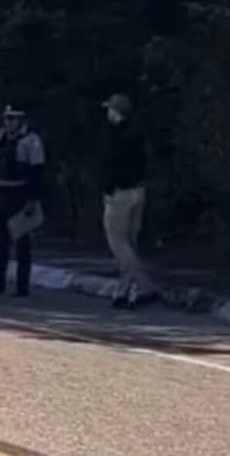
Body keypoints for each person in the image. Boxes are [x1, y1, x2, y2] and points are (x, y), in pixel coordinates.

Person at [0, 104, 46, 297]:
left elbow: (37, 172)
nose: (8, 122)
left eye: (13, 118)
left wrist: (33, 199)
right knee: (0, 241)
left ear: (21, 120)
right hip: (1, 193)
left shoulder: (30, 141)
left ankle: (22, 286)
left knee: (23, 243)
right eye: (6, 118)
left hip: (20, 194)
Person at [100, 93, 160, 309]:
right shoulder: (138, 134)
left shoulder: (114, 136)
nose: (107, 114)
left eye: (109, 110)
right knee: (130, 243)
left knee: (119, 244)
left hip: (119, 194)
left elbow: (110, 165)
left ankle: (145, 287)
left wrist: (107, 189)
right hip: (138, 190)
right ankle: (122, 292)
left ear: (116, 113)